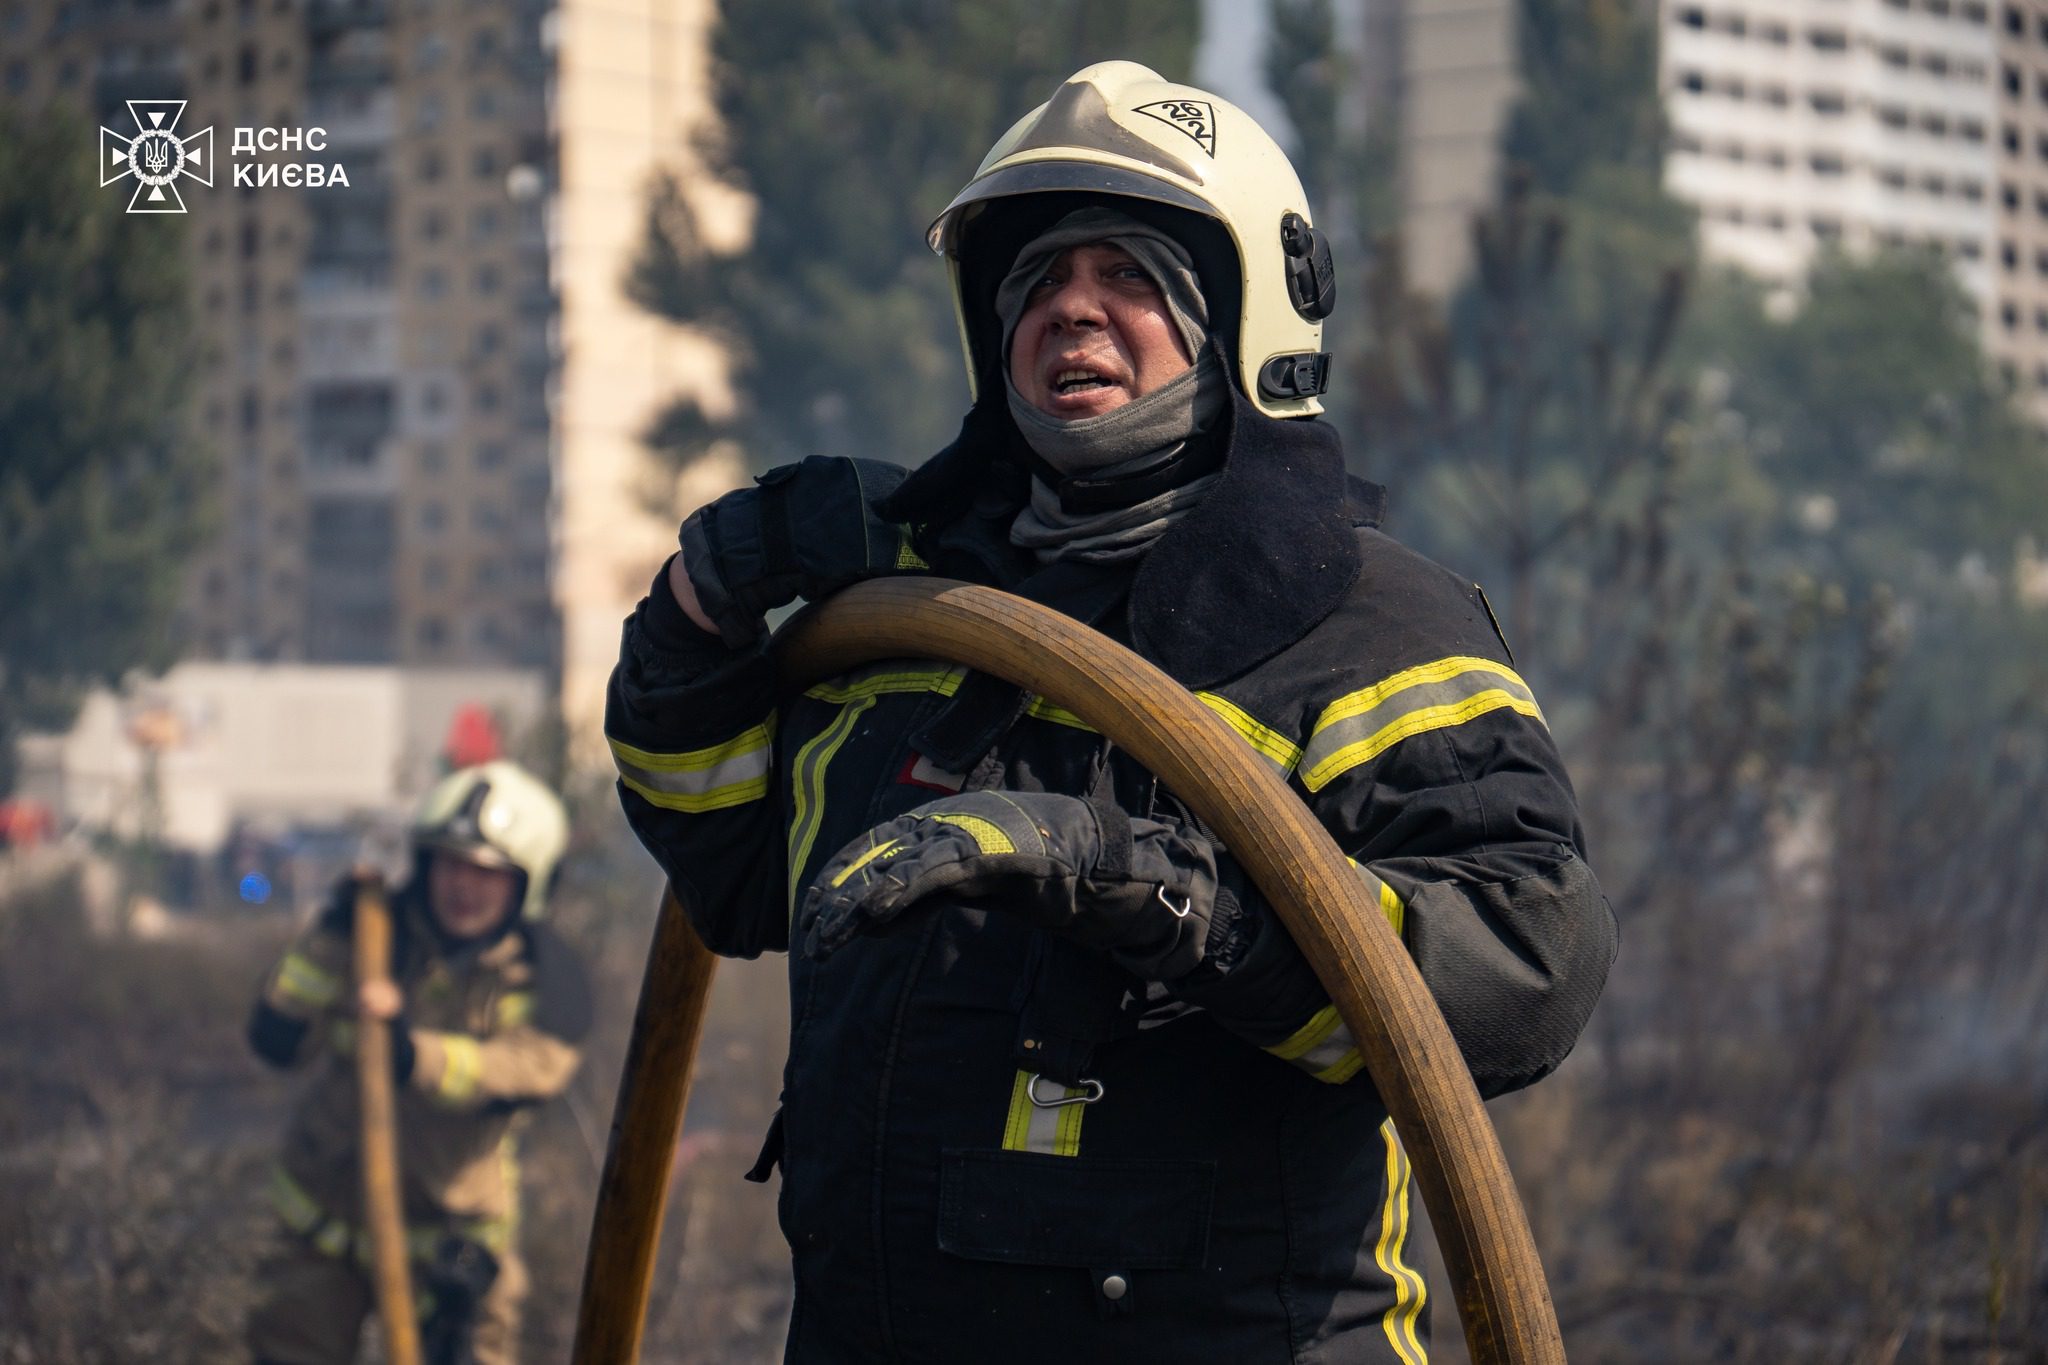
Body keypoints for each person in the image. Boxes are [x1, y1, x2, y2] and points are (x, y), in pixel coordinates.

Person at [607, 60, 1617, 1363]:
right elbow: (732, 867)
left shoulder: (1361, 627)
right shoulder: (907, 629)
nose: (1071, 307)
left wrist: (1174, 896)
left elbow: (1527, 967)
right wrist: (702, 606)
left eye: (1130, 274)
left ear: (1243, 321)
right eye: (1037, 280)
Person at [244, 760, 589, 1365]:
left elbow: (527, 1070)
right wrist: (331, 936)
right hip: (324, 1228)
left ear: (525, 883)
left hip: (451, 1246)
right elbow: (281, 1040)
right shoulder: (375, 937)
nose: (464, 887)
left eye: (487, 873)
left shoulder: (542, 978)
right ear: (425, 865)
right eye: (451, 864)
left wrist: (411, 1055)